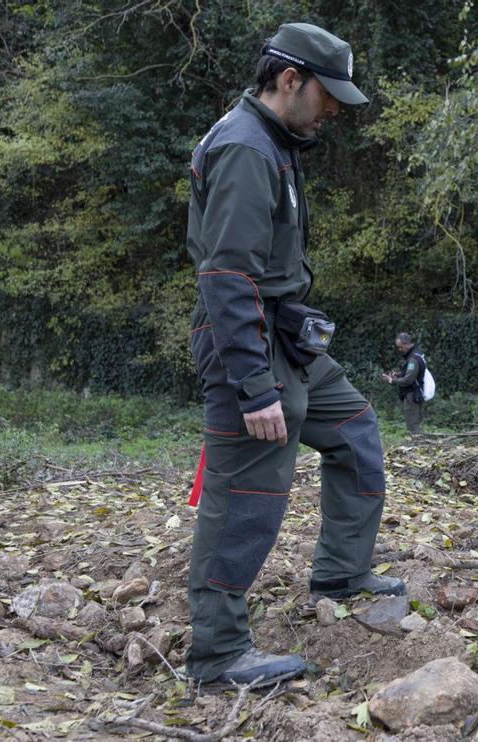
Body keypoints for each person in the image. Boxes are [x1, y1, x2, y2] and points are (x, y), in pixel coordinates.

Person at [184, 22, 404, 687]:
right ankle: (218, 655)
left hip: (286, 338)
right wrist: (254, 387)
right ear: (289, 80)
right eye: (327, 95)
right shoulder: (245, 149)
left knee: (354, 431)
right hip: (247, 345)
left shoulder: (275, 143)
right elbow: (227, 275)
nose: (333, 109)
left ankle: (339, 572)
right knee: (246, 494)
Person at [382, 332, 426, 436]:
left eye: (401, 347)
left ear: (407, 344)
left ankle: (417, 443)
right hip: (416, 392)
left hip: (412, 395)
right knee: (415, 422)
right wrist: (398, 374)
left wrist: (391, 380)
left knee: (412, 424)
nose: (400, 350)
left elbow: (408, 380)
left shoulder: (413, 359)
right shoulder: (417, 353)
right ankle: (418, 441)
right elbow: (413, 373)